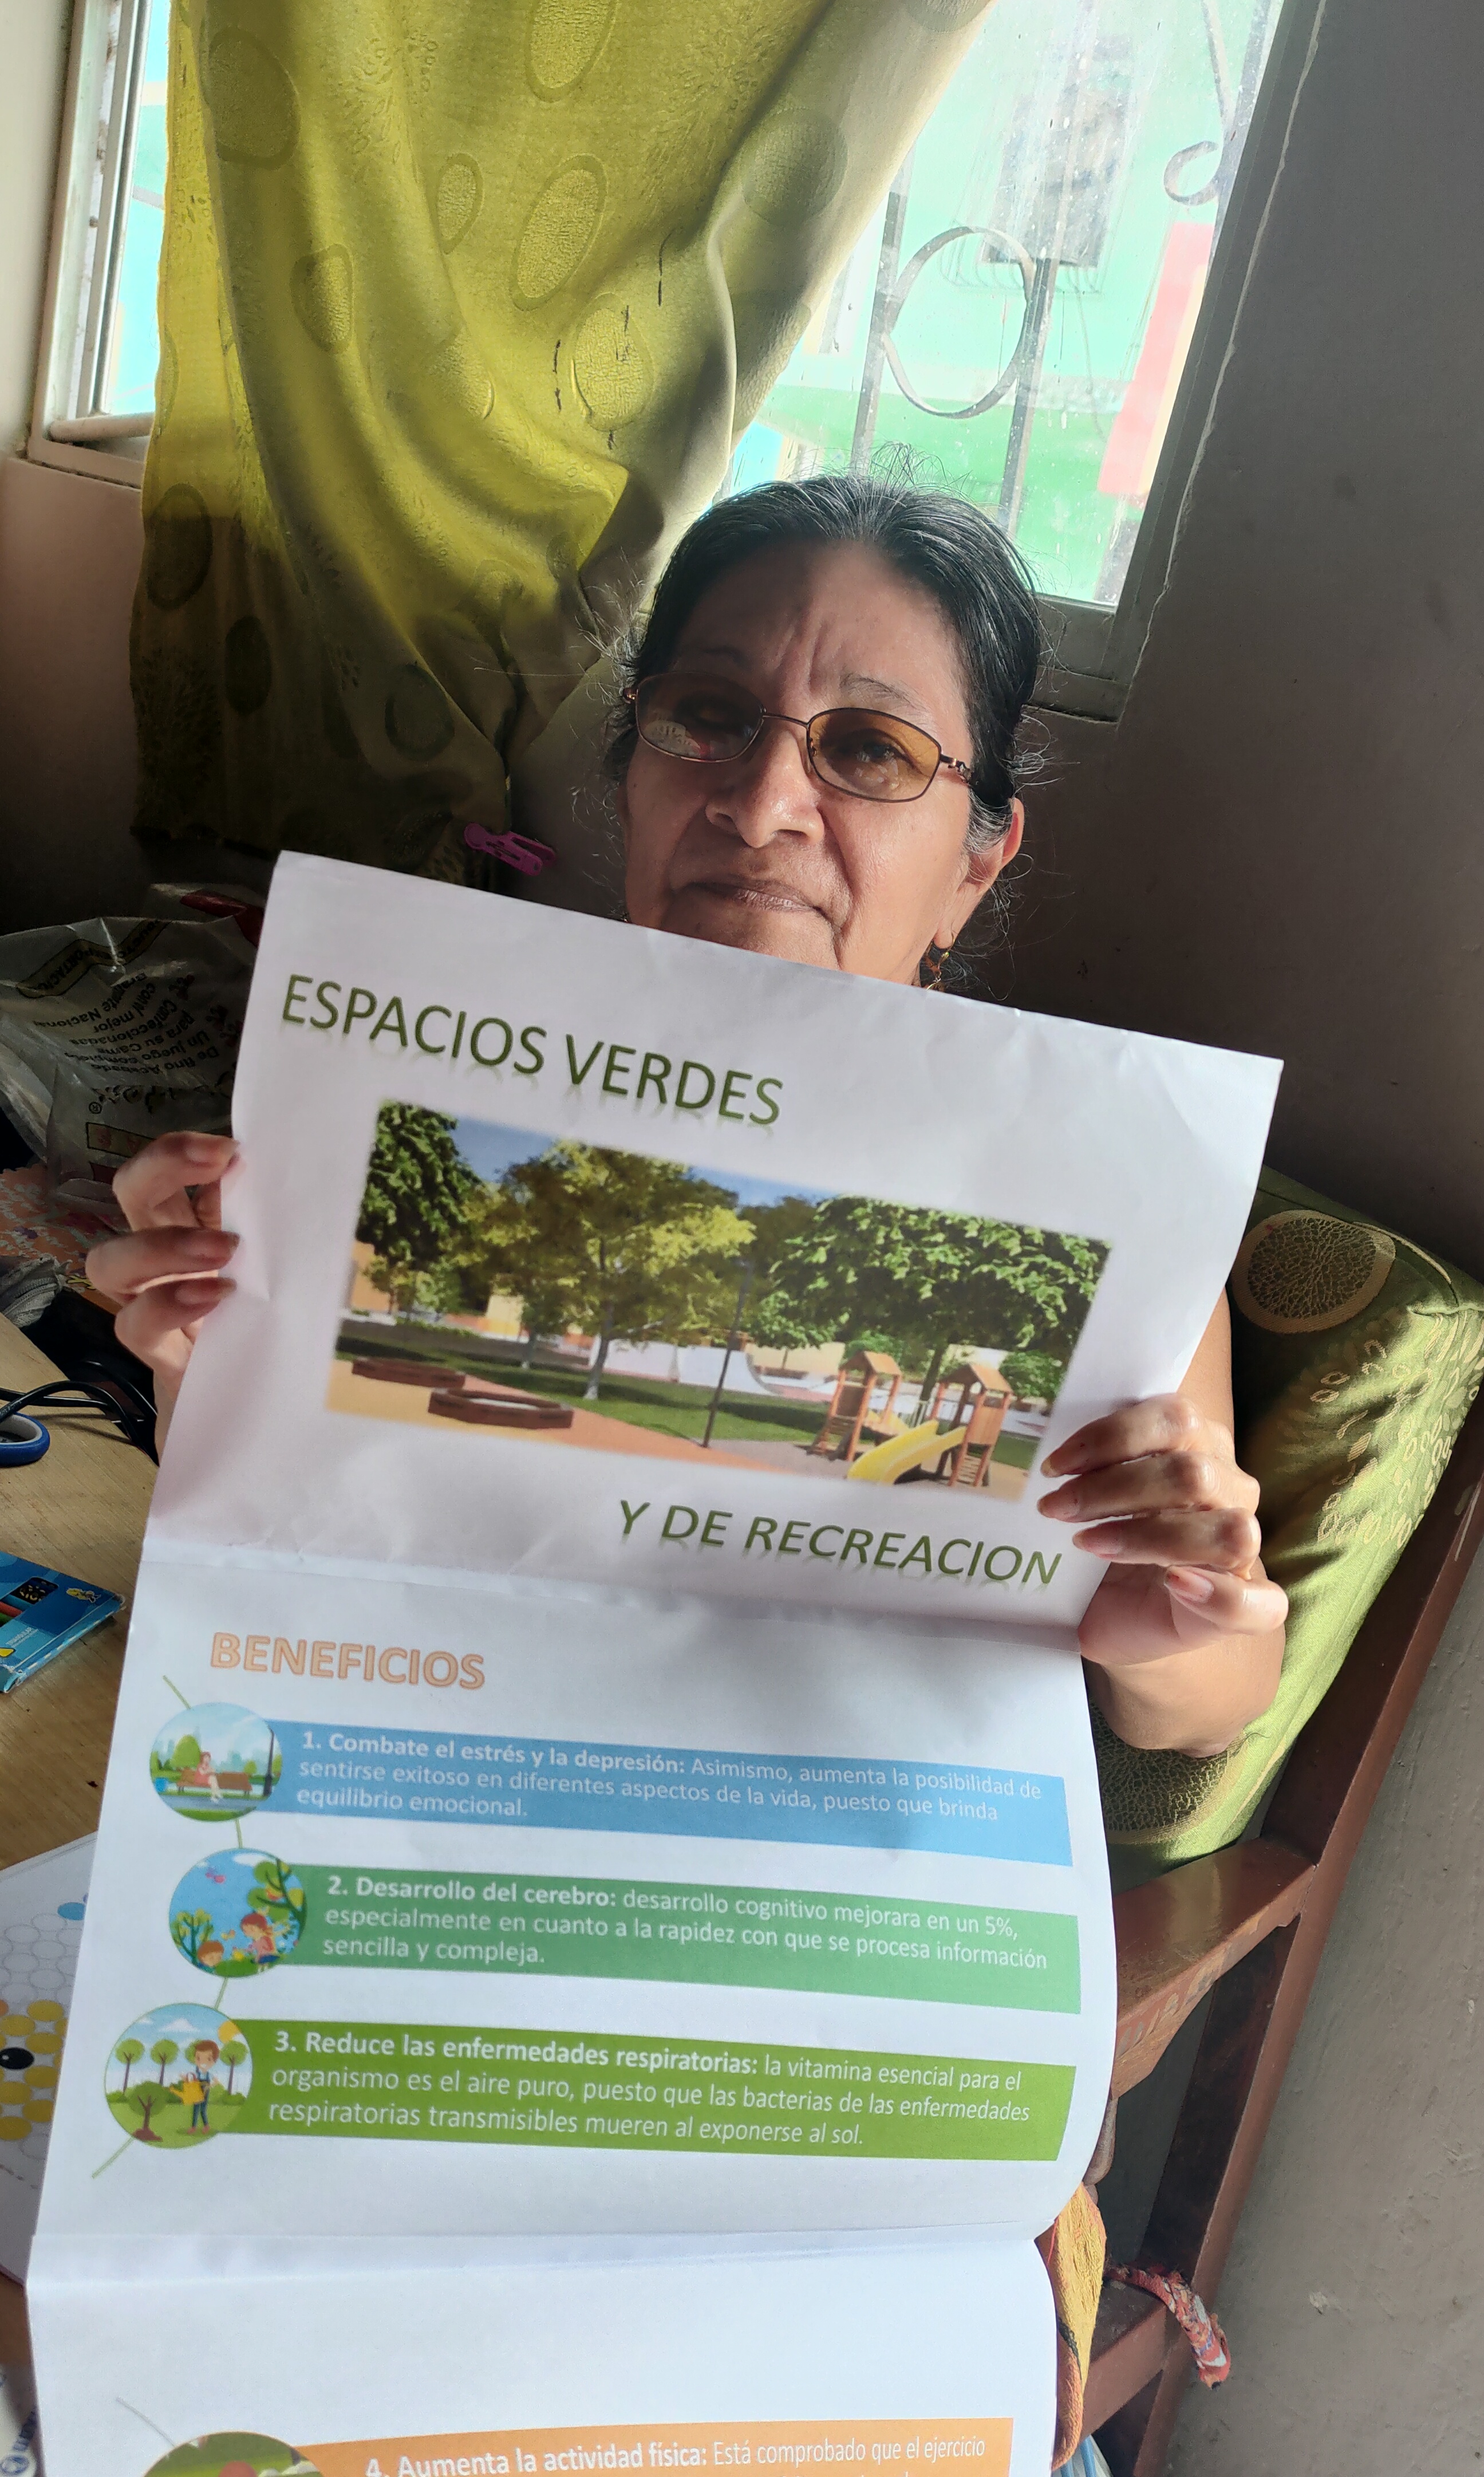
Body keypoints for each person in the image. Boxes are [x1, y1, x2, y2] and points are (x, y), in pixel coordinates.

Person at [86, 474, 1284, 1761]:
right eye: (708, 716)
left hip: (831, 1841)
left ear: (976, 862)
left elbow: (1213, 1705)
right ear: (631, 773)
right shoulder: (406, 1083)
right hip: (405, 1777)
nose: (761, 802)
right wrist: (203, 1359)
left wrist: (1186, 1611)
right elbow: (278, 1546)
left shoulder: (1098, 1210)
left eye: (870, 750)